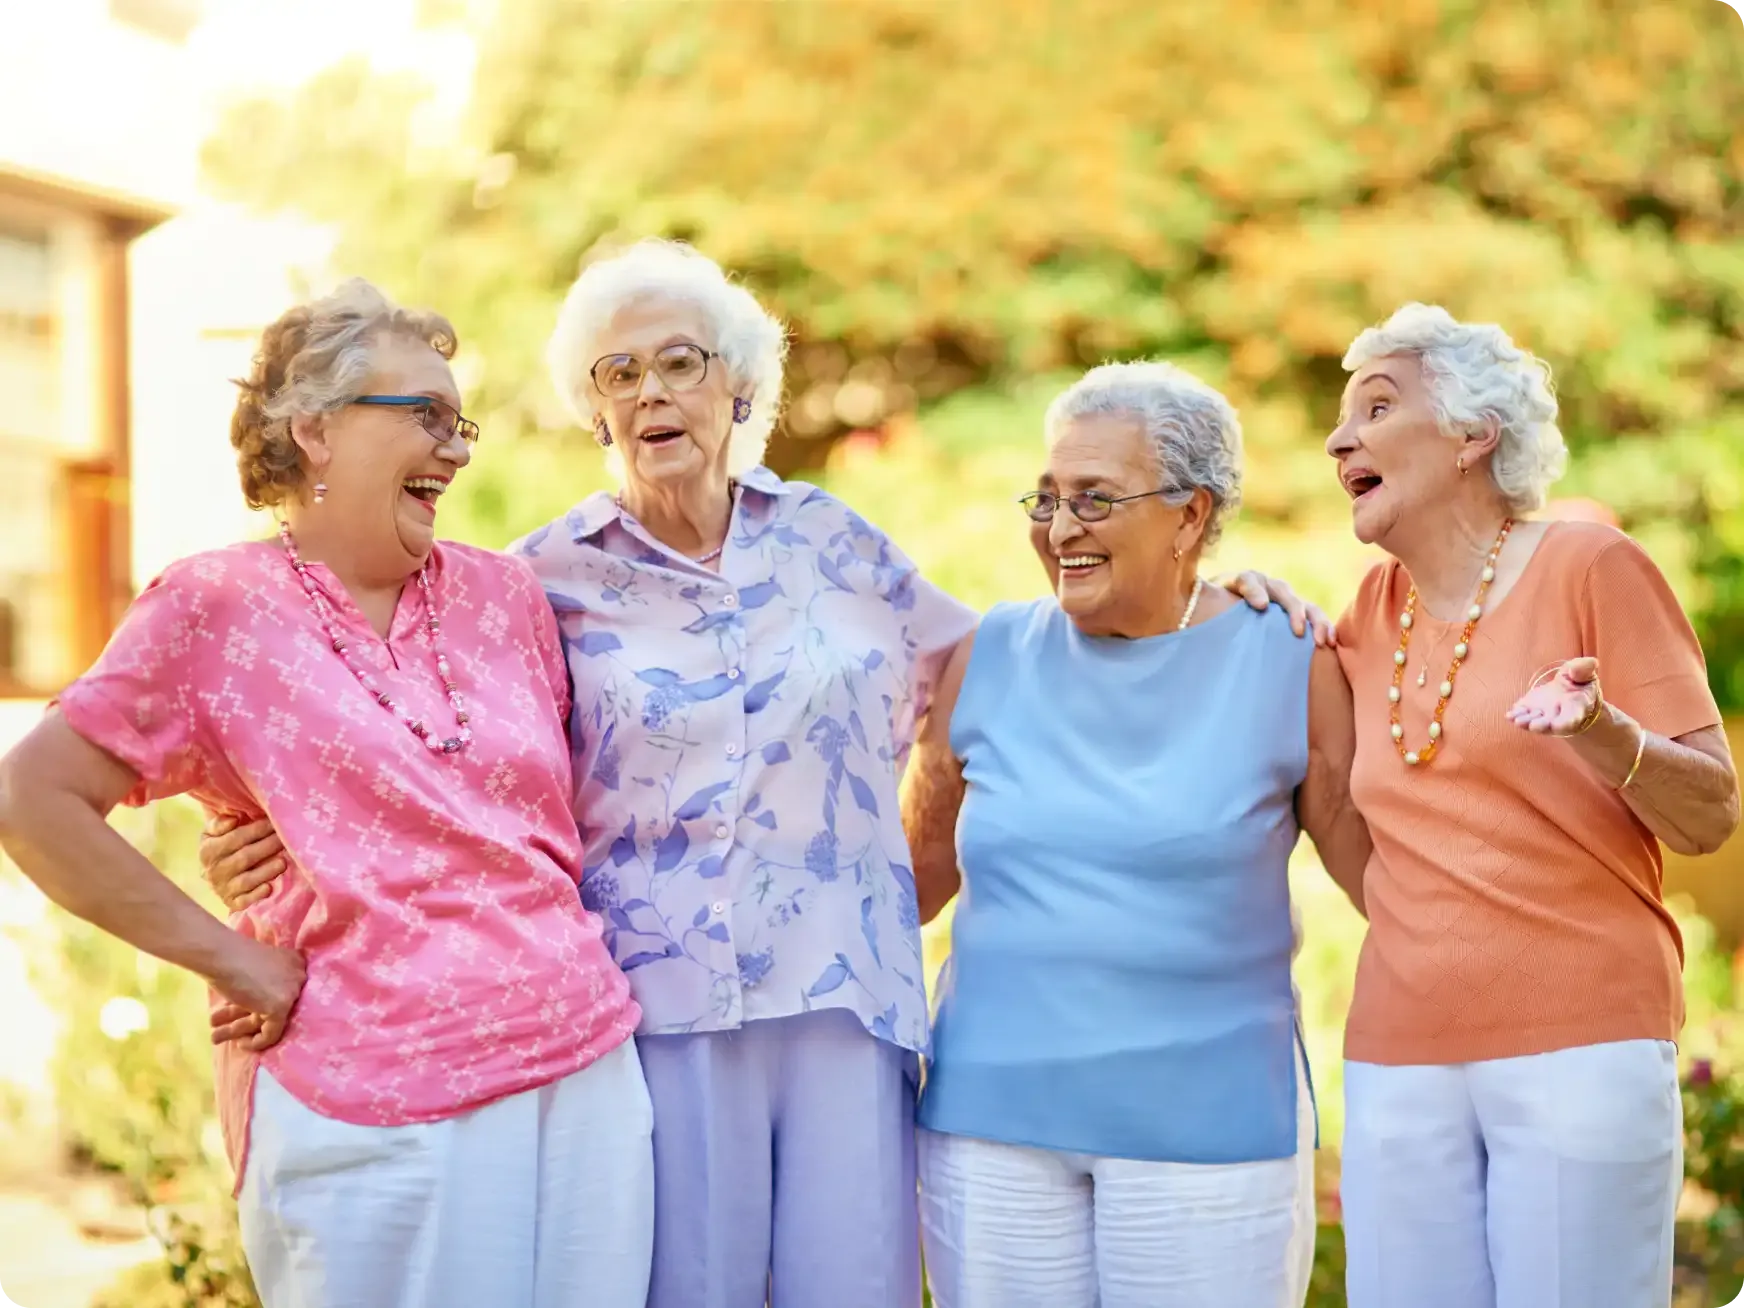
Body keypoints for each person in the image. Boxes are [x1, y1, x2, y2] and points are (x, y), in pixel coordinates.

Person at [200, 239, 1326, 1308]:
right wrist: (271, 835)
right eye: (619, 373)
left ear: (738, 388)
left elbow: (1019, 655)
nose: (651, 394)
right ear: (592, 407)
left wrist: (1216, 592)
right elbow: (413, 746)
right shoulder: (529, 582)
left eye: (680, 363)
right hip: (656, 1012)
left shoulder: (838, 544)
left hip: (844, 1006)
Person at [0, 280, 653, 1308]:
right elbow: (32, 801)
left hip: (582, 1074)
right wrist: (234, 959)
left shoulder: (507, 596)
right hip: (375, 1095)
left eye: (460, 421)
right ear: (313, 430)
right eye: (424, 417)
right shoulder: (213, 607)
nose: (457, 447)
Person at [903, 360, 1370, 1308]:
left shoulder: (1287, 658)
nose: (1060, 528)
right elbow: (906, 878)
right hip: (992, 1130)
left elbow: (1381, 881)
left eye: (1095, 500)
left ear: (1191, 517)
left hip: (1211, 1139)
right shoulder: (986, 655)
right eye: (1047, 497)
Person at [1327, 303, 1741, 1308]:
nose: (1340, 439)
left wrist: (1603, 731)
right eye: (1338, 421)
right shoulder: (1364, 615)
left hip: (1580, 1047)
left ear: (1475, 435)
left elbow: (1709, 814)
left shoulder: (1590, 568)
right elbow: (1338, 819)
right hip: (1397, 1056)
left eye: (1376, 408)